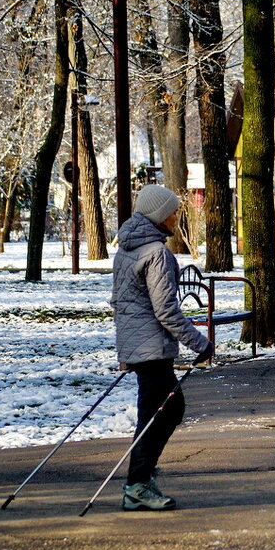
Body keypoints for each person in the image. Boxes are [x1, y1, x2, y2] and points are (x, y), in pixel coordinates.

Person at [111, 184, 213, 511]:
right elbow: (166, 310)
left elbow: (123, 301)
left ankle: (140, 477)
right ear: (158, 215)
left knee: (163, 410)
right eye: (172, 211)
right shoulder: (156, 252)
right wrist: (201, 344)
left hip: (139, 345)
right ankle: (137, 483)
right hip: (151, 347)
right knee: (161, 412)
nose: (176, 216)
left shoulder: (128, 247)